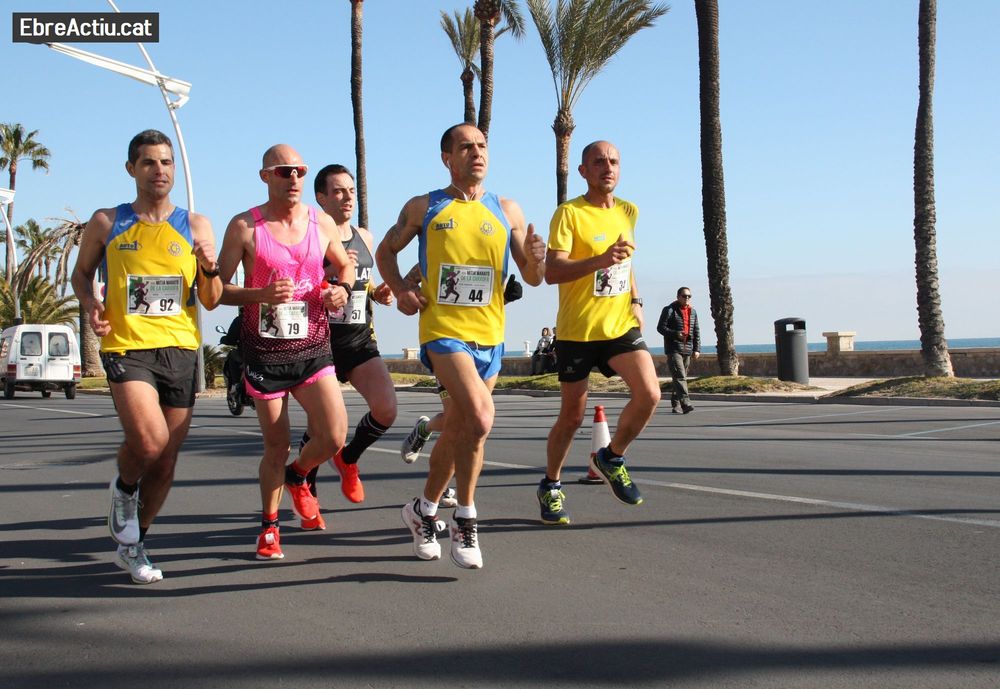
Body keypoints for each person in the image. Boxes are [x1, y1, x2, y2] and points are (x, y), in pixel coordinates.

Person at [376, 123, 545, 569]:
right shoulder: (425, 206)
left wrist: (537, 258)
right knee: (481, 418)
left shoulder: (506, 209)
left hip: (490, 336)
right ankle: (466, 519)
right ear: (447, 158)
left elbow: (531, 277)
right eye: (466, 147)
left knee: (460, 429)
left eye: (482, 145)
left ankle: (423, 509)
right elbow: (385, 252)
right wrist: (401, 291)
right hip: (443, 332)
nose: (477, 153)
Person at [70, 129, 223, 584]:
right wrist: (91, 304)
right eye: (150, 162)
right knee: (150, 442)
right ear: (131, 169)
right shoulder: (107, 221)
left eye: (166, 162)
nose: (160, 171)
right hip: (127, 346)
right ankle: (124, 488)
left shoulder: (196, 225)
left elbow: (211, 298)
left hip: (180, 348)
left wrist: (209, 266)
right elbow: (81, 275)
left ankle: (135, 544)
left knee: (167, 460)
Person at [217, 144, 356, 560]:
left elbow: (345, 265)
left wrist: (341, 289)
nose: (293, 178)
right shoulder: (245, 226)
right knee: (276, 446)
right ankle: (270, 527)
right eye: (283, 171)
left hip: (313, 346)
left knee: (334, 434)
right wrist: (260, 294)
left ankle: (299, 475)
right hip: (265, 354)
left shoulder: (321, 222)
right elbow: (215, 290)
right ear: (266, 176)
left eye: (299, 170)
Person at [537, 140, 661, 526]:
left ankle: (611, 456)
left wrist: (636, 300)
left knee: (650, 394)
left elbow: (627, 263)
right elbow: (552, 272)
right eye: (598, 162)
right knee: (572, 417)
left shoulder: (628, 210)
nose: (607, 167)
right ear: (583, 171)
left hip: (619, 325)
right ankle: (551, 485)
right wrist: (600, 259)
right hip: (578, 330)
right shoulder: (569, 213)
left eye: (614, 161)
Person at [298, 164, 398, 505]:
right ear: (321, 198)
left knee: (386, 409)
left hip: (358, 340)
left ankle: (349, 458)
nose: (347, 198)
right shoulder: (310, 237)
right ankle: (306, 487)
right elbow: (297, 286)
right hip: (320, 342)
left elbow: (364, 285)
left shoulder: (364, 236)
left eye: (351, 191)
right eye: (338, 191)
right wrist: (332, 269)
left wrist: (379, 294)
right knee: (322, 429)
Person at [657, 287, 701, 413]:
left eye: (689, 296)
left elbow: (696, 331)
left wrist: (697, 349)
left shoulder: (693, 312)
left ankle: (676, 404)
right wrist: (676, 334)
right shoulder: (669, 310)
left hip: (687, 349)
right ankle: (686, 403)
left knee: (680, 377)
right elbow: (660, 328)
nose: (687, 298)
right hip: (674, 348)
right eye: (684, 296)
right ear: (678, 297)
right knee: (680, 376)